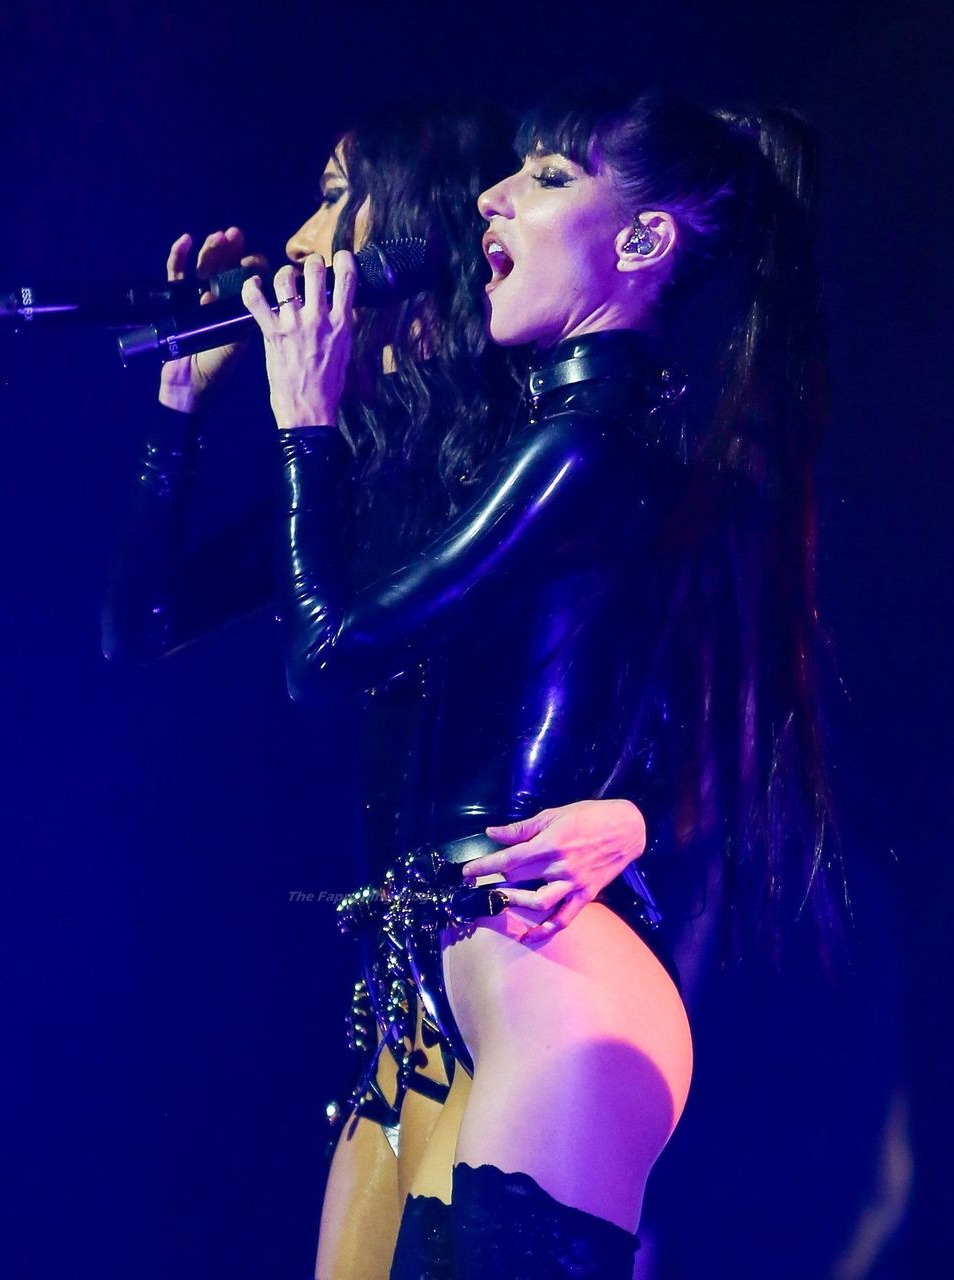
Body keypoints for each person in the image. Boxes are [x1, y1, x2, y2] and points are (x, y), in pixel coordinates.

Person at [241, 90, 845, 1278]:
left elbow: (332, 649)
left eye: (550, 178)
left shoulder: (590, 446)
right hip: (437, 986)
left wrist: (303, 425)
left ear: (643, 241)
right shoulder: (575, 446)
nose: (494, 196)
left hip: (549, 983)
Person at [99, 101, 661, 1277]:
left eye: (331, 199)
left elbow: (643, 677)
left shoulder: (534, 437)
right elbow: (142, 625)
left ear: (404, 230)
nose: (298, 240)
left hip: (530, 948)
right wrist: (180, 407)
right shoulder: (372, 465)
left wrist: (642, 812)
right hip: (409, 981)